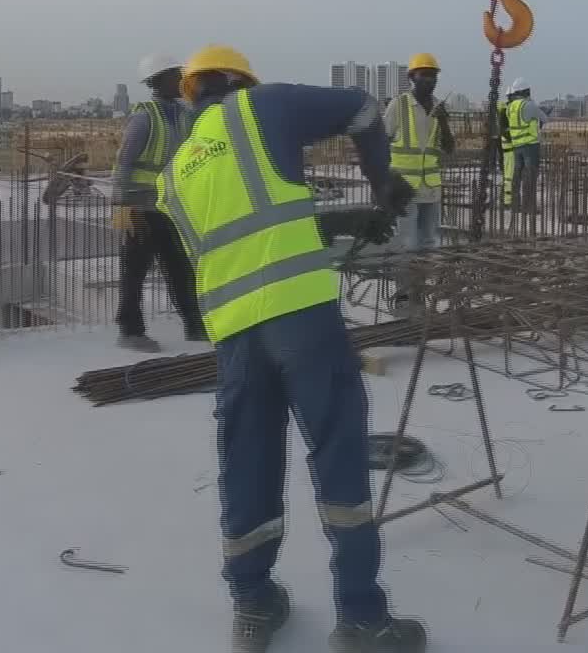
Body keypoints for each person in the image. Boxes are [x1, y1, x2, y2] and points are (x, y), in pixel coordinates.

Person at [157, 45, 426, 653]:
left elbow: (247, 234)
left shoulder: (178, 172)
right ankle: (361, 618)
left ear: (191, 92)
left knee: (246, 461)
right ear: (236, 81)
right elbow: (361, 110)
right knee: (338, 453)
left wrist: (340, 223)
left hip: (236, 337)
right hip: (301, 319)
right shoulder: (260, 105)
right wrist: (382, 183)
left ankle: (253, 605)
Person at [110, 54, 201, 352]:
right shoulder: (145, 116)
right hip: (139, 208)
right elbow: (124, 161)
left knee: (180, 267)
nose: (182, 81)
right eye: (176, 76)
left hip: (170, 206)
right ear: (158, 80)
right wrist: (121, 205)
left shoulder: (185, 114)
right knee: (135, 270)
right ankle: (130, 330)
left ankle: (195, 324)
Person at [382, 53, 454, 250]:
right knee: (408, 243)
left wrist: (443, 121)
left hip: (430, 188)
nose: (430, 80)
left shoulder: (439, 107)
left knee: (429, 242)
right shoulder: (399, 104)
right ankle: (407, 282)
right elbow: (381, 143)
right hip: (404, 187)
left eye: (433, 75)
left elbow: (449, 148)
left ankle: (421, 281)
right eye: (424, 74)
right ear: (412, 77)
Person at [497, 79, 541, 208]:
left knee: (511, 176)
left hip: (512, 146)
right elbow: (504, 129)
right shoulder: (510, 109)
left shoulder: (509, 109)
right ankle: (511, 202)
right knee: (514, 176)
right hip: (513, 147)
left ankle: (511, 202)